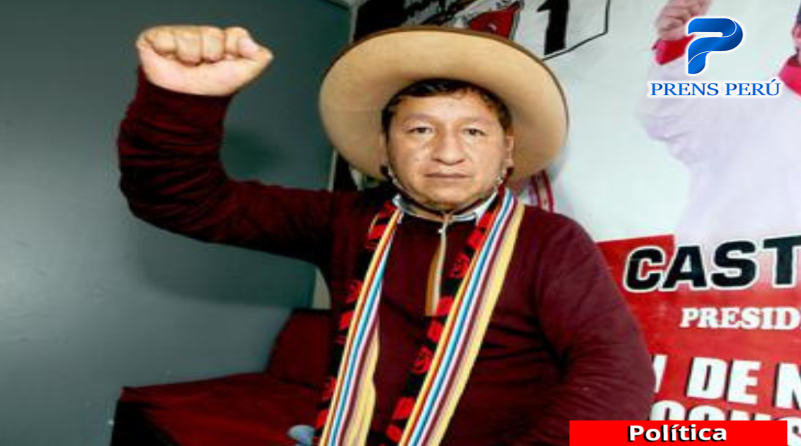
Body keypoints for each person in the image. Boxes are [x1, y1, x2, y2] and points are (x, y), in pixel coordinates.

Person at [118, 25, 654, 446]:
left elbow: (615, 375)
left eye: (473, 131)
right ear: (385, 149)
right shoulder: (345, 220)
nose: (448, 152)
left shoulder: (550, 241)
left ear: (507, 150)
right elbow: (185, 203)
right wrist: (182, 101)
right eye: (420, 129)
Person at [641, 0, 801, 248]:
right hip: (739, 268)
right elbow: (667, 116)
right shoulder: (740, 102)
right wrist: (674, 47)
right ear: (798, 34)